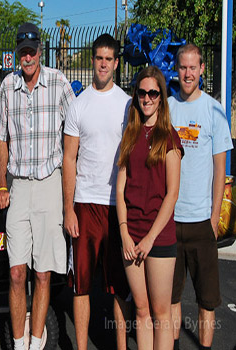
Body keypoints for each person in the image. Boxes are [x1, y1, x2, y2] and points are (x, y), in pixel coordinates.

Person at [0, 22, 75, 350]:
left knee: (43, 274)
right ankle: (17, 342)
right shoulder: (7, 86)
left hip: (49, 185)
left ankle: (36, 342)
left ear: (40, 50)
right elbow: (1, 138)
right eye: (22, 51)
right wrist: (1, 184)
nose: (28, 57)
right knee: (16, 273)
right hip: (19, 187)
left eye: (32, 51)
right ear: (18, 53)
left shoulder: (58, 83)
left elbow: (75, 129)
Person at [63, 33, 132, 350]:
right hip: (85, 206)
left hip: (117, 207)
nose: (103, 64)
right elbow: (69, 159)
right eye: (99, 58)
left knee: (120, 286)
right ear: (92, 60)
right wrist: (68, 210)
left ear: (116, 63)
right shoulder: (78, 105)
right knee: (81, 287)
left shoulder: (128, 105)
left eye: (109, 59)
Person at [169, 44, 233, 350]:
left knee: (207, 300)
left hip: (201, 221)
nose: (188, 73)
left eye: (193, 67)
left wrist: (213, 217)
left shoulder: (214, 110)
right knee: (170, 297)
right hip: (170, 221)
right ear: (176, 69)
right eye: (183, 67)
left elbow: (221, 169)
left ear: (202, 69)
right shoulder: (167, 107)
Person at [116, 66, 183, 349]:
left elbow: (172, 194)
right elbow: (119, 191)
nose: (147, 98)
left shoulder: (169, 137)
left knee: (160, 314)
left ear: (161, 97)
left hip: (159, 238)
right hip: (131, 237)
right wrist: (125, 234)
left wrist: (149, 238)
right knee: (141, 311)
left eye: (153, 92)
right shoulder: (129, 135)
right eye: (142, 92)